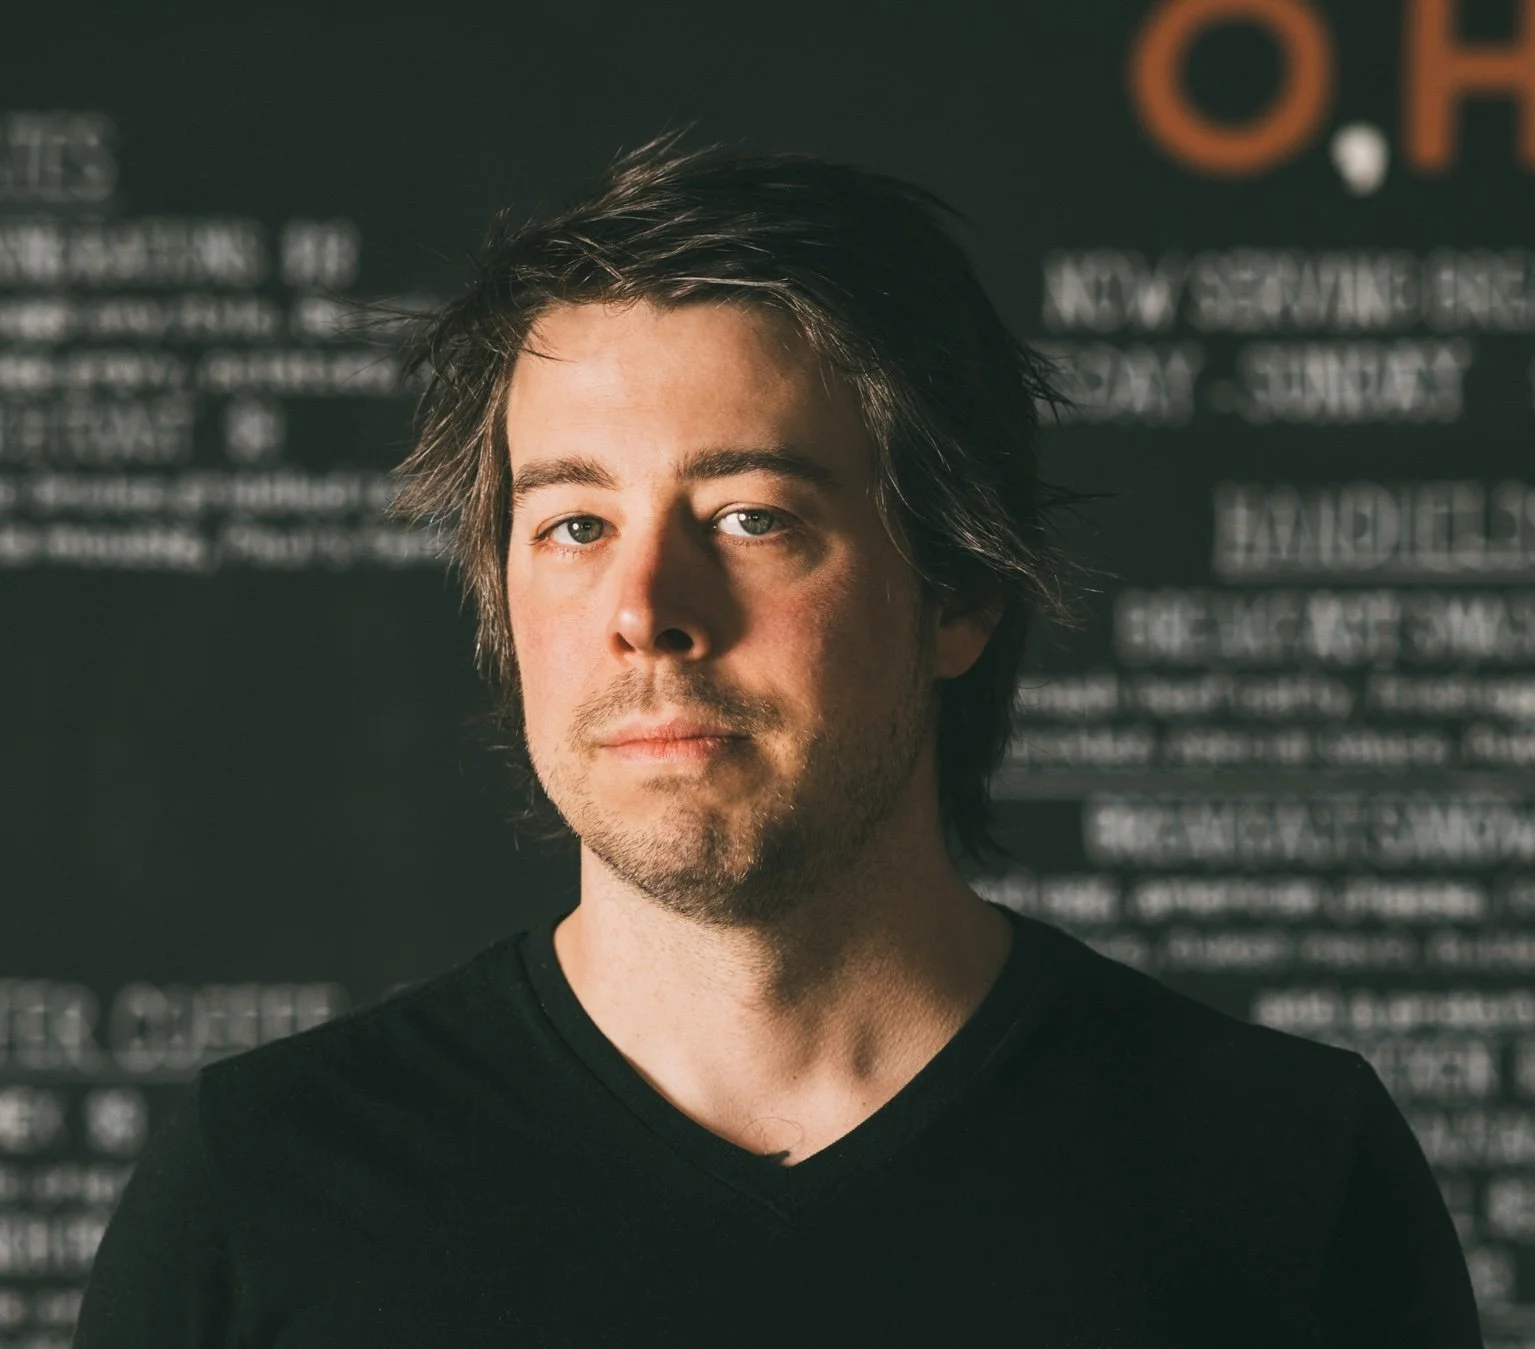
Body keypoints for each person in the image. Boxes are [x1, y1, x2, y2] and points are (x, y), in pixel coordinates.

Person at [75, 133, 1481, 1347]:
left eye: (750, 516)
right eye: (573, 526)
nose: (644, 612)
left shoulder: (1284, 1175)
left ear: (955, 592)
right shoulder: (258, 1191)